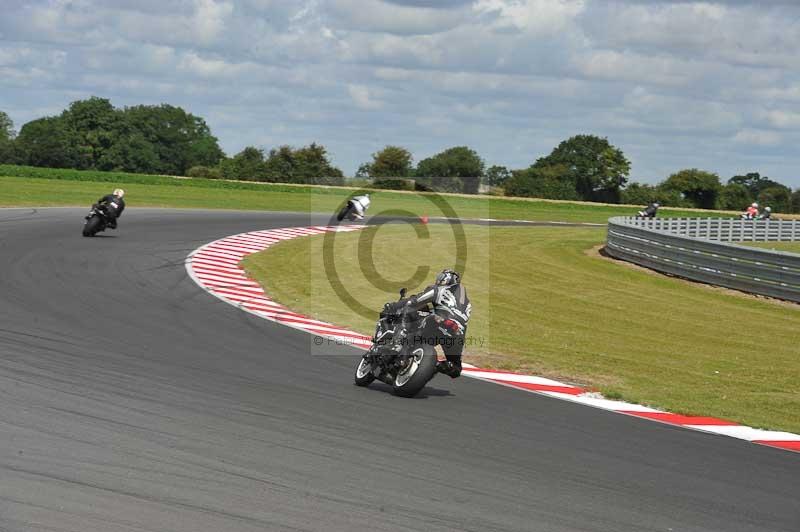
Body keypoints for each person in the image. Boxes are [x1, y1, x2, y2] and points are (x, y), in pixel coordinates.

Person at [383, 269, 471, 378]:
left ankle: (397, 343)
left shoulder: (439, 290)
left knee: (409, 311)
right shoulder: (467, 303)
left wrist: (393, 306)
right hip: (457, 332)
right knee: (455, 368)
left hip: (439, 320)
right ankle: (435, 366)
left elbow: (414, 301)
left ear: (444, 279)